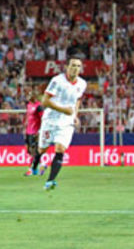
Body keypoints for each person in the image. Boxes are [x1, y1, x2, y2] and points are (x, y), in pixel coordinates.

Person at [35, 59, 86, 191]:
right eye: (73, 65)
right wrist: (64, 110)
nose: (76, 68)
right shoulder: (57, 80)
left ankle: (50, 181)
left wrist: (74, 115)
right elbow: (45, 101)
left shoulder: (82, 83)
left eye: (78, 66)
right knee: (42, 149)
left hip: (66, 122)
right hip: (50, 120)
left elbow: (78, 100)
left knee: (60, 149)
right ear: (67, 67)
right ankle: (35, 164)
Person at [24, 91, 44, 176]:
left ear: (34, 96)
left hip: (35, 131)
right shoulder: (28, 105)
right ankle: (42, 165)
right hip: (28, 131)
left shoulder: (39, 106)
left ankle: (31, 170)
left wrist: (40, 131)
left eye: (29, 95)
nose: (28, 97)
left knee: (34, 150)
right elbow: (28, 117)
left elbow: (43, 118)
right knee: (29, 150)